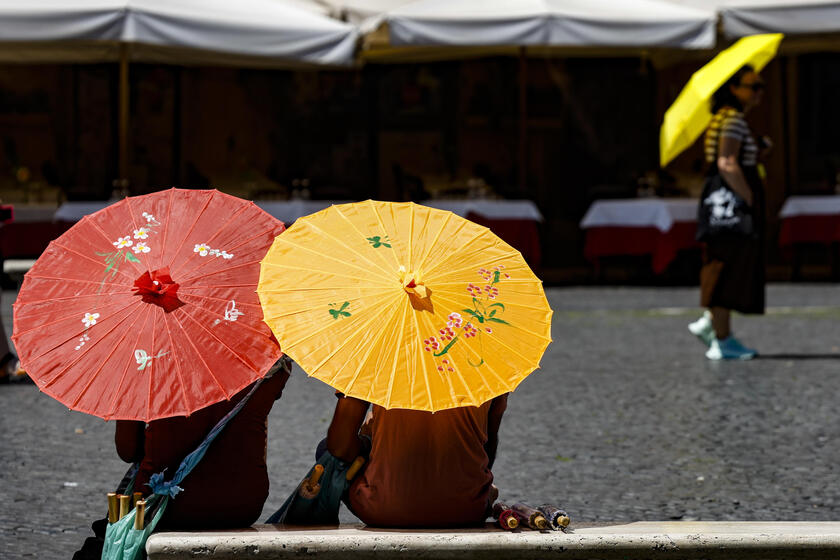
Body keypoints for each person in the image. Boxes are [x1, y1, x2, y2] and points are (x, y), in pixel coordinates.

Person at [73, 358, 291, 559]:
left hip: (166, 507)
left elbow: (128, 451)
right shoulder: (269, 360)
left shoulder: (145, 358)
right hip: (243, 503)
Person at [326, 392, 507, 527]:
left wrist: (369, 439)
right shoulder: (487, 362)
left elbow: (340, 447)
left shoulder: (373, 354)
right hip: (468, 509)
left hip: (382, 510)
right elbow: (486, 447)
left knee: (324, 450)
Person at [688, 65, 768, 360]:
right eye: (753, 86)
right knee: (725, 267)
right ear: (734, 88)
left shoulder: (724, 118)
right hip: (729, 203)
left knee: (723, 263)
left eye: (760, 86)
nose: (758, 92)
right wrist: (747, 196)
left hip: (720, 201)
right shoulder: (733, 119)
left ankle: (712, 325)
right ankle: (721, 339)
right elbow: (727, 162)